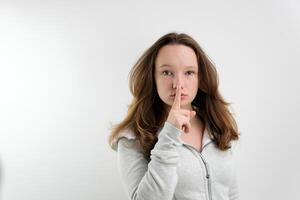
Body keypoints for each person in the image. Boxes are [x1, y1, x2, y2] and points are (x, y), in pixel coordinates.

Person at [108, 32, 240, 200]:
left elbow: (231, 192)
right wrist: (169, 133)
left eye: (189, 72)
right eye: (167, 73)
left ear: (200, 78)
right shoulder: (131, 137)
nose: (178, 84)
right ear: (152, 77)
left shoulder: (216, 124)